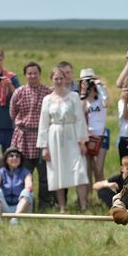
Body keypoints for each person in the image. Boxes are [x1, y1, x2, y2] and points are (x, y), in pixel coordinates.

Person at [36, 67, 89, 213]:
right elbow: (44, 123)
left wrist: (82, 141)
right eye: (56, 78)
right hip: (54, 137)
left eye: (61, 78)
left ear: (65, 79)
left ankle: (83, 205)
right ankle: (62, 206)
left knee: (79, 170)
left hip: (72, 134)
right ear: (51, 80)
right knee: (57, 171)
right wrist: (44, 147)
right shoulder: (47, 99)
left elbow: (79, 119)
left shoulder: (73, 96)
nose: (59, 81)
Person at [9, 61, 53, 210]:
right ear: (25, 75)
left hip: (42, 138)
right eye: (29, 73)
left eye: (35, 73)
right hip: (24, 138)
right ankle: (25, 204)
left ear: (39, 74)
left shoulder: (47, 92)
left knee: (44, 175)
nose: (32, 76)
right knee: (23, 174)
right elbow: (12, 113)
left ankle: (45, 205)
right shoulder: (19, 92)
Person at [0, 147, 33, 224]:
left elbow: (28, 184)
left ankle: (15, 218)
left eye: (17, 156)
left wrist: (28, 187)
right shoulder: (0, 172)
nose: (15, 158)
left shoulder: (26, 172)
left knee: (27, 192)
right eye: (11, 156)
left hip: (22, 207)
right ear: (6, 159)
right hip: (5, 207)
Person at [79, 68, 109, 186]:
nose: (87, 84)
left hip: (101, 136)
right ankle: (90, 198)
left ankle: (103, 196)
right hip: (85, 137)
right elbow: (80, 115)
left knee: (98, 168)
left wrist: (100, 86)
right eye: (84, 81)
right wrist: (83, 93)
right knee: (87, 169)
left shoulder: (101, 97)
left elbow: (106, 103)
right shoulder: (81, 99)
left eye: (89, 81)